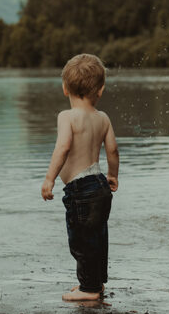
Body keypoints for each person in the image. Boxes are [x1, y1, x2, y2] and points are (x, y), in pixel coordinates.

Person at [41, 53, 120, 301]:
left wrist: (49, 179)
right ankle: (95, 283)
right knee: (98, 237)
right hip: (99, 185)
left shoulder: (67, 116)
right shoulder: (103, 118)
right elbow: (113, 150)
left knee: (81, 239)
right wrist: (112, 175)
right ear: (101, 89)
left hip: (80, 190)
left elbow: (63, 147)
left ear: (65, 88)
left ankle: (88, 289)